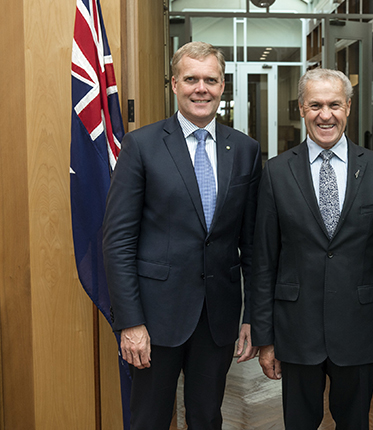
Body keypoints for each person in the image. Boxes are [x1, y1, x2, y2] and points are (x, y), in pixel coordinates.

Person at [102, 41, 261, 429]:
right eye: (191, 79)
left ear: (223, 86)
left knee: (207, 418)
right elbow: (117, 241)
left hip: (218, 317)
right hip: (155, 319)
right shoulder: (141, 146)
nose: (200, 88)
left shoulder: (245, 150)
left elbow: (255, 245)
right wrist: (130, 322)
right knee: (149, 420)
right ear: (174, 84)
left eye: (210, 80)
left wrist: (253, 317)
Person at [250, 68, 373, 430]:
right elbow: (263, 262)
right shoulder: (275, 173)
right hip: (295, 330)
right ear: (302, 108)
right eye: (316, 105)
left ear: (348, 108)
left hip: (359, 330)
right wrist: (265, 339)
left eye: (334, 104)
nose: (326, 114)